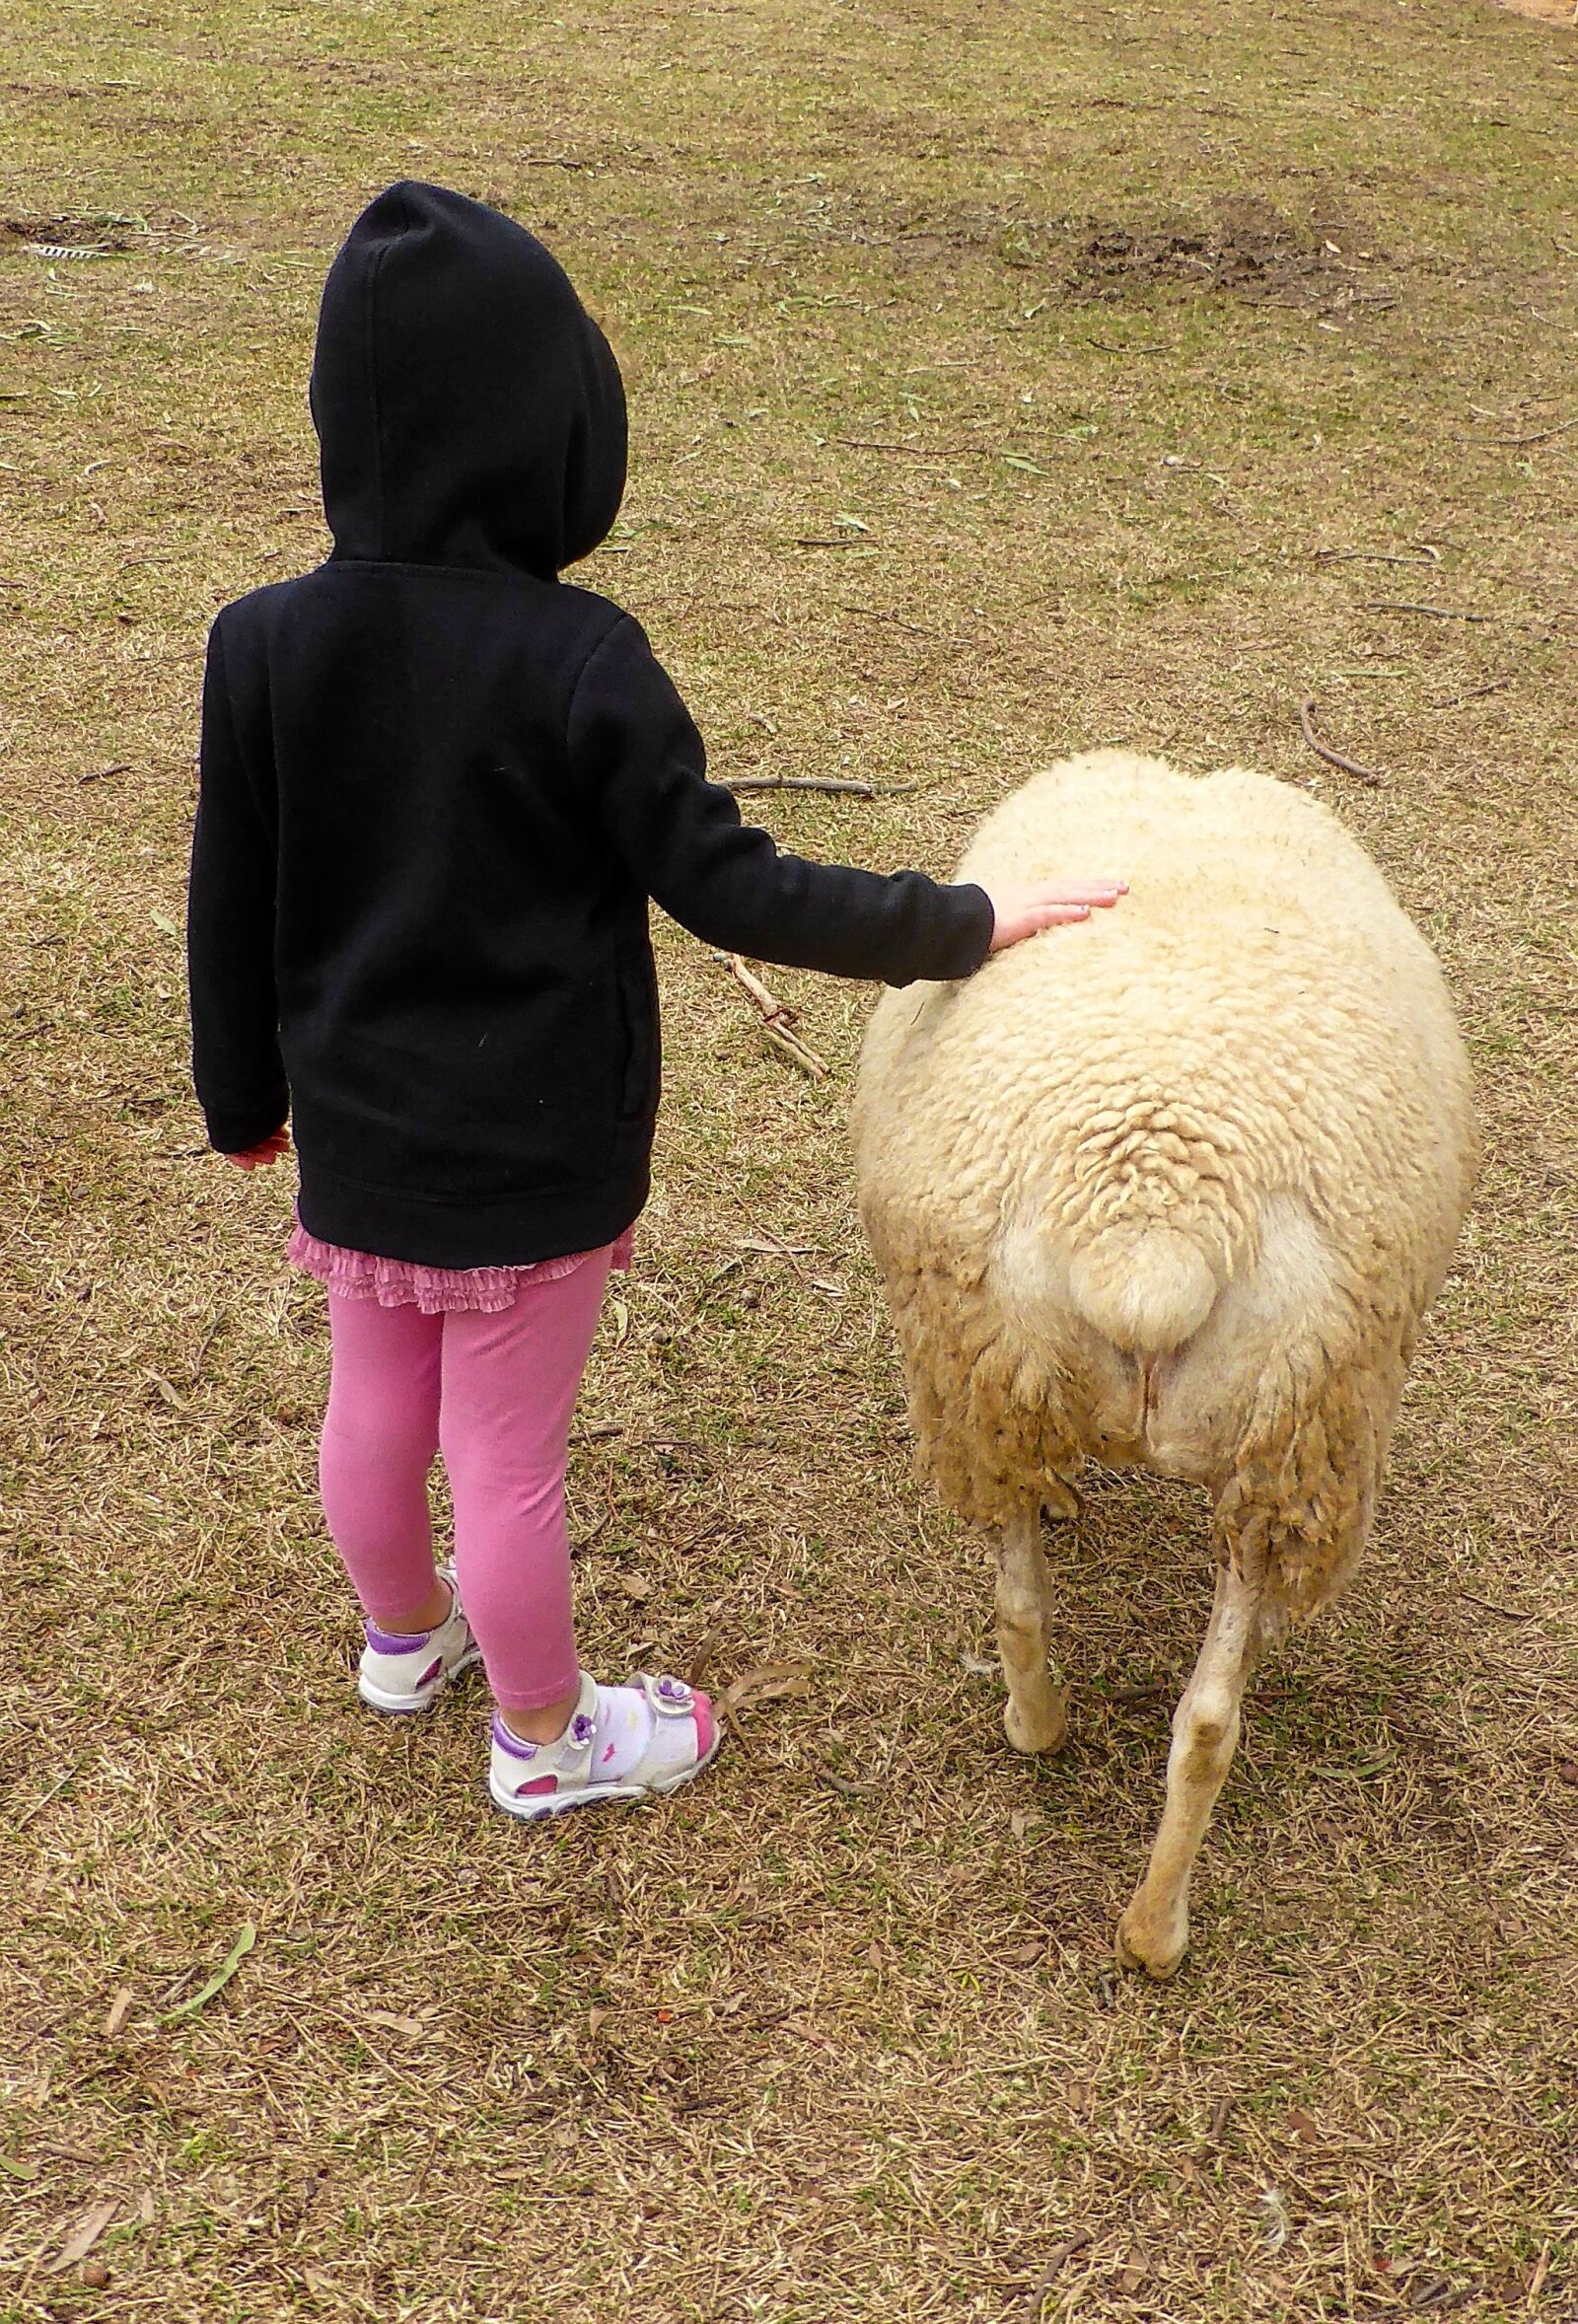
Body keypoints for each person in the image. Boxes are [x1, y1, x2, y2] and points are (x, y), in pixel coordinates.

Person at [186, 182, 1124, 1823]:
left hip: (352, 1133)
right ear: (551, 437)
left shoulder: (260, 644)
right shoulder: (581, 659)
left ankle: (403, 1643)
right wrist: (966, 922)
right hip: (532, 1155)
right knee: (506, 1458)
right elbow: (734, 882)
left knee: (374, 1400)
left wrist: (240, 1099)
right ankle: (547, 1742)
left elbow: (230, 894)